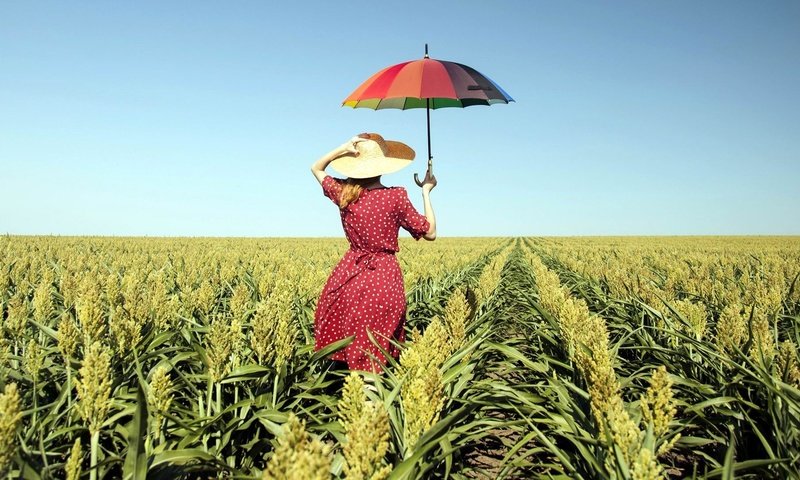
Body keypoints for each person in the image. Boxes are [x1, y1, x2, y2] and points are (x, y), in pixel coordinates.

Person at [310, 133, 437, 373]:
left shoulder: (344, 193)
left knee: (349, 342)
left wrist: (343, 148)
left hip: (349, 276)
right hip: (383, 278)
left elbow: (316, 168)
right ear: (384, 167)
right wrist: (426, 192)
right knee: (374, 352)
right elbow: (429, 233)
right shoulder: (395, 196)